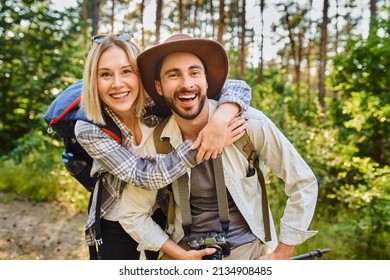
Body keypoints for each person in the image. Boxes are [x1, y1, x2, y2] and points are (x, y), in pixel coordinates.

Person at [119, 34, 318, 260]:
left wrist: (283, 252)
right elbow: (132, 214)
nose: (186, 84)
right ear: (159, 87)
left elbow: (302, 182)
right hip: (185, 254)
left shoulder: (249, 124)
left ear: (206, 80)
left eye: (194, 73)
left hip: (249, 252)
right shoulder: (156, 142)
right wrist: (178, 255)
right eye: (173, 75)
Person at [74, 33, 252, 260]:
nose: (118, 83)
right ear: (93, 80)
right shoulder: (89, 127)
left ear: (140, 75)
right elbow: (143, 175)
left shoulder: (158, 100)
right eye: (105, 74)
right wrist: (203, 145)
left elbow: (237, 87)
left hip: (163, 209)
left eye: (126, 71)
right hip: (116, 218)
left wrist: (219, 121)